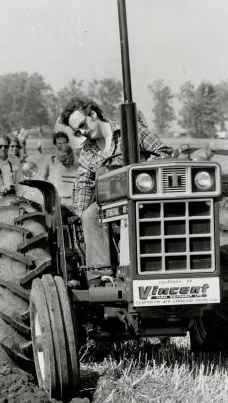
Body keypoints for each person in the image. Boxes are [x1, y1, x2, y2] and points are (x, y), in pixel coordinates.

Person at [60, 97, 173, 282]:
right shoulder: (88, 151)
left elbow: (164, 151)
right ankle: (100, 275)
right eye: (77, 131)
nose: (82, 132)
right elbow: (83, 183)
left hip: (144, 197)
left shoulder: (131, 131)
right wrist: (80, 212)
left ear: (93, 114)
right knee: (89, 215)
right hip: (111, 203)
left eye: (83, 124)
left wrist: (150, 164)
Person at [39, 132, 76, 208]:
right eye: (59, 143)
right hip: (56, 200)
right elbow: (42, 178)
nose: (62, 145)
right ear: (55, 145)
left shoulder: (75, 159)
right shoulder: (49, 160)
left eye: (65, 142)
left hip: (72, 200)